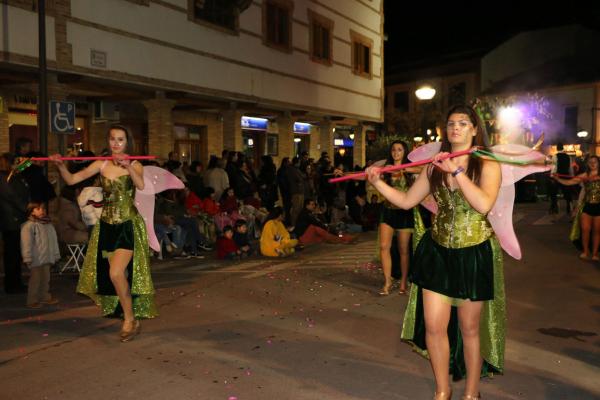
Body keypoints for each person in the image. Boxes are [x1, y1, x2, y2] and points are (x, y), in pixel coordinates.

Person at [367, 105, 503, 400]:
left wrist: (456, 171)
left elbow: (483, 205)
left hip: (473, 251)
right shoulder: (432, 166)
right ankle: (442, 391)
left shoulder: (487, 164)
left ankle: (471, 393)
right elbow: (405, 201)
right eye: (451, 123)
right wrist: (378, 183)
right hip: (438, 250)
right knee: (434, 325)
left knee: (469, 328)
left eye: (463, 123)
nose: (455, 128)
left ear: (474, 129)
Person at [50, 124, 157, 342]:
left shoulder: (135, 163)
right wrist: (61, 167)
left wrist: (128, 167)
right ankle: (128, 314)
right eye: (112, 139)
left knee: (116, 273)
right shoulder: (102, 163)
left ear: (127, 142)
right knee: (118, 276)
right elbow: (71, 180)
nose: (116, 143)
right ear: (108, 141)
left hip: (127, 225)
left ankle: (129, 319)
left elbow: (141, 185)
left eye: (120, 139)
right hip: (107, 226)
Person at [378, 141, 420, 295]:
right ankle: (387, 281)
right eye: (393, 150)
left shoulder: (411, 169)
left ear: (405, 152)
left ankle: (403, 281)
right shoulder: (386, 168)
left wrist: (403, 168)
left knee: (403, 250)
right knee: (384, 247)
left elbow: (423, 170)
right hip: (387, 211)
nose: (396, 152)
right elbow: (366, 175)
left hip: (404, 212)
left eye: (399, 150)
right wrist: (345, 174)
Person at [553, 155, 600, 260]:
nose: (592, 164)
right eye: (590, 162)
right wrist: (558, 178)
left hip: (599, 207)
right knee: (585, 230)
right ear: (587, 164)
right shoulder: (584, 175)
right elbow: (569, 182)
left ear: (598, 163)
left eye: (595, 162)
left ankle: (595, 254)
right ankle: (585, 251)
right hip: (587, 206)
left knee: (597, 231)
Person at [20, 202, 61, 308]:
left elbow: (53, 241)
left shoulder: (48, 225)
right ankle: (32, 300)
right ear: (32, 211)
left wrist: (56, 254)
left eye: (43, 208)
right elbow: (26, 243)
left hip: (47, 257)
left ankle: (44, 296)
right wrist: (27, 257)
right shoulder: (29, 226)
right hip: (36, 258)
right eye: (38, 209)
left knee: (46, 278)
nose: (42, 211)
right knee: (35, 280)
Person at [0, 153, 30, 294]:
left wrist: (26, 162)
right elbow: (11, 196)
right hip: (10, 219)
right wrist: (26, 207)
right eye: (15, 162)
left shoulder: (13, 175)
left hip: (16, 217)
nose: (18, 164)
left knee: (16, 253)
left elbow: (27, 167)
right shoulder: (4, 177)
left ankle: (16, 282)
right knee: (12, 253)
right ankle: (12, 285)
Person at [549, 142, 573, 215]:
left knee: (553, 192)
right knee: (567, 193)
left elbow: (554, 168)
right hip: (566, 176)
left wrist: (551, 176)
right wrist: (571, 176)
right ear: (563, 148)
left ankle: (554, 207)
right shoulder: (568, 157)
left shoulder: (555, 156)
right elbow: (570, 168)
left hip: (557, 177)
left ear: (557, 148)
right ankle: (569, 207)